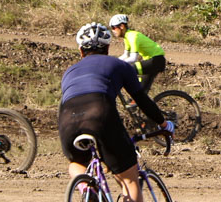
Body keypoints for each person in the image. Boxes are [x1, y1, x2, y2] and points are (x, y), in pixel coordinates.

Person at [59, 23, 174, 202]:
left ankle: (87, 189)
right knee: (129, 179)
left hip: (67, 119)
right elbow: (142, 100)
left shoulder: (69, 72)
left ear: (81, 51)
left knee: (77, 163)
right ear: (107, 48)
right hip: (99, 112)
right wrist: (164, 124)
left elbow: (64, 103)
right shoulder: (118, 64)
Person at [109, 14, 167, 94]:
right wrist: (113, 62)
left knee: (129, 69)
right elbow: (125, 55)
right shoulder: (127, 37)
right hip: (151, 61)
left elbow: (133, 58)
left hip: (156, 60)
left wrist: (118, 65)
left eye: (113, 27)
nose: (113, 31)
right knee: (140, 94)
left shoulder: (133, 36)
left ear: (122, 26)